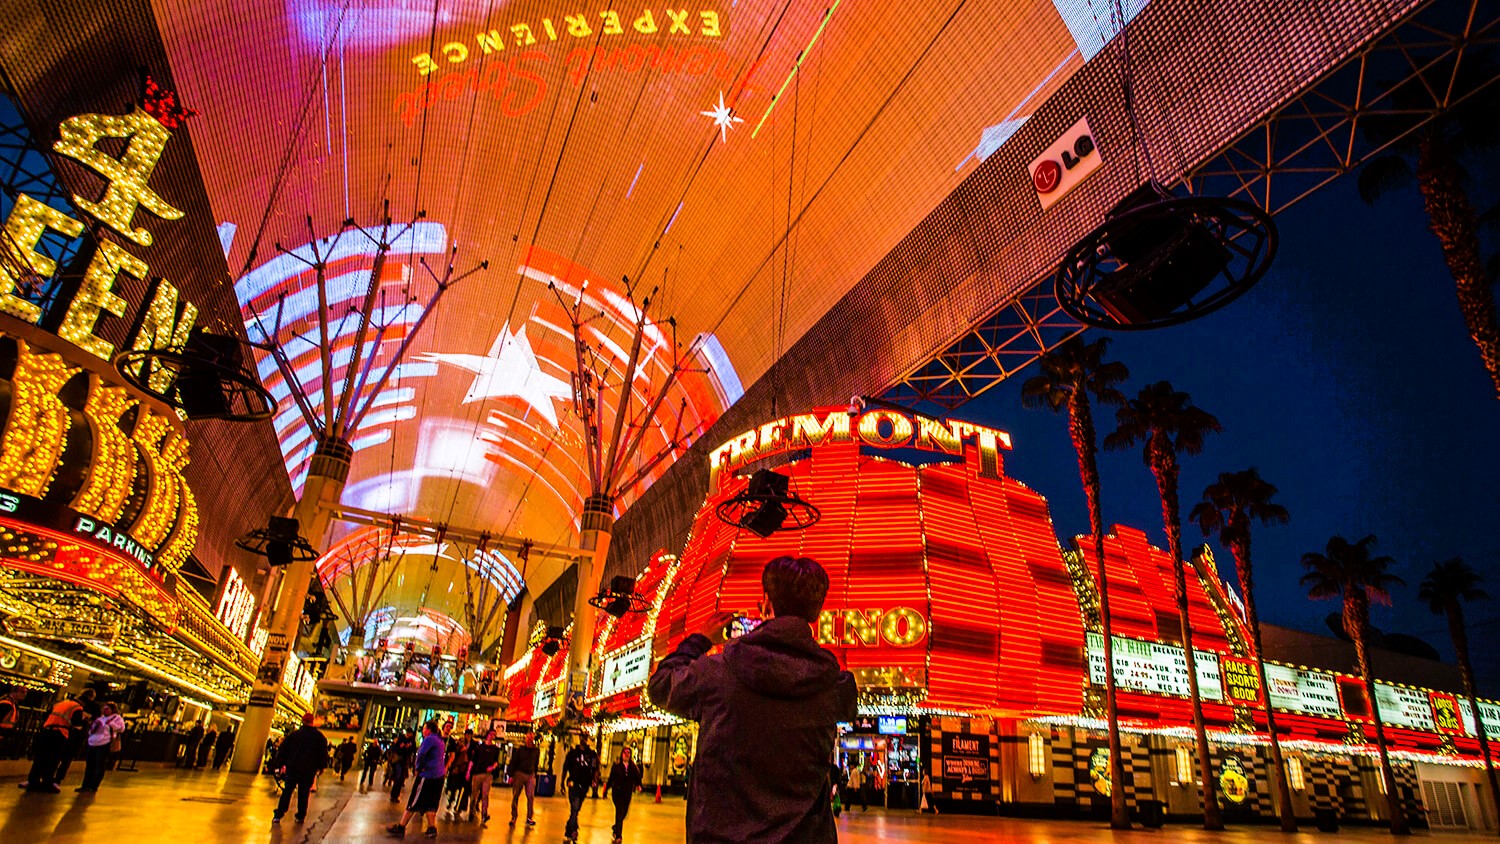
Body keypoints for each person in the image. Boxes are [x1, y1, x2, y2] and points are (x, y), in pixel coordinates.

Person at [648, 556, 857, 843]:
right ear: (816, 611)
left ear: (767, 604)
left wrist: (700, 639)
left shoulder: (717, 674)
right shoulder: (834, 686)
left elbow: (661, 685)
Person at [22, 690, 94, 792]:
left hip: (46, 730)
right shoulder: (77, 708)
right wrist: (85, 721)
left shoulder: (60, 704)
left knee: (40, 758)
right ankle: (47, 783)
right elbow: (77, 724)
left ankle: (33, 780)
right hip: (60, 733)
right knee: (53, 759)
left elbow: (45, 716)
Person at [387, 719, 445, 838]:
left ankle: (401, 827)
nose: (423, 731)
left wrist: (418, 767)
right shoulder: (440, 741)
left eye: (424, 728)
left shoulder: (429, 739)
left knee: (414, 800)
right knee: (431, 803)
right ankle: (432, 828)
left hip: (427, 775)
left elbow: (421, 753)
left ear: (429, 729)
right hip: (439, 776)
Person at [272, 714, 329, 825]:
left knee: (287, 791)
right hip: (309, 770)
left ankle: (279, 814)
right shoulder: (319, 737)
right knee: (304, 792)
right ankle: (301, 815)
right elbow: (323, 754)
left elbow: (283, 750)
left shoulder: (294, 735)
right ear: (312, 722)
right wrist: (321, 767)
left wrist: (280, 764)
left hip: (293, 768)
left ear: (303, 721)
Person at [78, 701, 125, 792]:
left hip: (104, 743)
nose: (105, 710)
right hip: (93, 742)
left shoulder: (117, 718)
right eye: (104, 709)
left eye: (107, 709)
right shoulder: (100, 718)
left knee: (99, 765)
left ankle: (94, 786)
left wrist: (110, 724)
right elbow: (91, 730)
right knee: (89, 765)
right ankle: (85, 785)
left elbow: (121, 729)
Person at [560, 735, 600, 843]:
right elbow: (565, 768)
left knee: (576, 809)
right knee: (575, 806)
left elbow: (595, 769)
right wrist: (562, 783)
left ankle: (568, 830)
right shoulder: (572, 753)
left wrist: (595, 782)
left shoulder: (592, 754)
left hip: (585, 784)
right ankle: (574, 831)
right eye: (582, 737)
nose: (583, 740)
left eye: (585, 738)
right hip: (573, 783)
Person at [53, 688, 97, 785]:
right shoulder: (93, 706)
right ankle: (58, 778)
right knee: (68, 757)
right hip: (78, 734)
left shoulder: (71, 702)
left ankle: (49, 776)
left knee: (56, 755)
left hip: (64, 730)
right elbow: (95, 719)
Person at [604, 746, 643, 844]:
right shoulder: (617, 766)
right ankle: (618, 836)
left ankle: (616, 827)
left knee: (624, 814)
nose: (626, 754)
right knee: (619, 812)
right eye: (625, 753)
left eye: (628, 753)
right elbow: (611, 778)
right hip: (617, 793)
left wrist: (638, 785)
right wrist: (606, 790)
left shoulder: (633, 767)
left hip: (627, 793)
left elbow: (637, 777)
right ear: (622, 754)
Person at [505, 732, 540, 827]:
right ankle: (514, 816)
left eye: (531, 738)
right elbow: (513, 762)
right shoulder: (520, 750)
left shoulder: (536, 750)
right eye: (528, 738)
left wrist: (535, 774)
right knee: (515, 795)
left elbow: (536, 763)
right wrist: (511, 775)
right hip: (519, 773)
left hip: (530, 774)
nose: (529, 740)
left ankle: (529, 817)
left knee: (530, 796)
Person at [467, 730, 501, 824]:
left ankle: (484, 814)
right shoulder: (479, 747)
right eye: (491, 734)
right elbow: (473, 760)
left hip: (487, 775)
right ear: (487, 735)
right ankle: (471, 811)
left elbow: (496, 762)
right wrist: (468, 771)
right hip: (477, 773)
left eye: (494, 735)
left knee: (485, 795)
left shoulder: (495, 749)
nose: (492, 736)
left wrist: (492, 767)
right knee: (474, 794)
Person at [442, 728, 472, 815]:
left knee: (462, 789)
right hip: (458, 768)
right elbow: (455, 753)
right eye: (467, 735)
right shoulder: (459, 742)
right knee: (454, 787)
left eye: (469, 735)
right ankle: (451, 801)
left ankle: (458, 805)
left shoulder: (472, 744)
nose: (468, 737)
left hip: (465, 769)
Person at [389, 729, 416, 802]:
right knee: (398, 777)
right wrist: (401, 747)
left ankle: (396, 795)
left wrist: (408, 747)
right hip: (398, 760)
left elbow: (413, 750)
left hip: (405, 761)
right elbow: (395, 749)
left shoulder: (412, 741)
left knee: (401, 779)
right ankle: (393, 795)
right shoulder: (401, 739)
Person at [0, 684, 26, 756]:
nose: (24, 694)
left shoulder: (12, 704)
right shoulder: (6, 704)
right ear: (14, 692)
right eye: (22, 692)